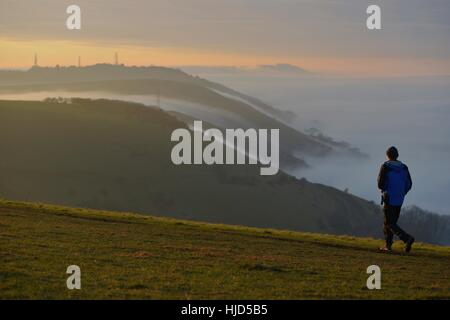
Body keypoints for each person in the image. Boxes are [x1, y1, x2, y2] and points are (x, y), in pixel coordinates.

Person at [377, 146, 415, 253]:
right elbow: (409, 184)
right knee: (390, 223)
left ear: (387, 155)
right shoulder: (404, 167)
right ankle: (388, 246)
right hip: (399, 199)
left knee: (389, 223)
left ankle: (407, 239)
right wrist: (402, 193)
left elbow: (380, 184)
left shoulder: (385, 166)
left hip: (389, 197)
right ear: (397, 155)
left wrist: (386, 190)